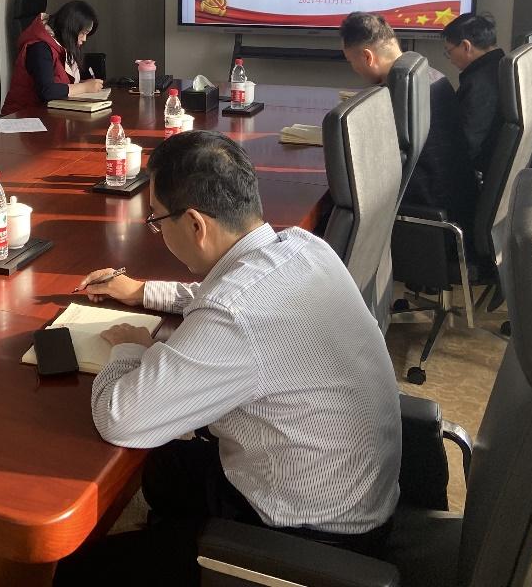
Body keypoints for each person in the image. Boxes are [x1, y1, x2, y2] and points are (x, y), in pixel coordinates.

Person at [53, 130, 400, 587]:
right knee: (163, 473)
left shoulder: (234, 316)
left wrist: (128, 347)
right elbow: (231, 296)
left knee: (74, 574)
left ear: (195, 225)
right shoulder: (302, 247)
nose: (157, 231)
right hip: (353, 490)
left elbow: (120, 418)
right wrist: (142, 292)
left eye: (157, 220)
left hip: (309, 541)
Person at [340, 11, 478, 231]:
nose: (353, 69)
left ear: (367, 57)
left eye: (351, 62)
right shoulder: (426, 74)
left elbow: (375, 164)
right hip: (457, 202)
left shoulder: (398, 94)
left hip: (427, 214)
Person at [1, 0, 105, 114]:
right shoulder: (39, 47)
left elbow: (60, 82)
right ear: (71, 28)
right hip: (21, 117)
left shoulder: (60, 45)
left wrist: (84, 84)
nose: (84, 39)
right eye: (83, 33)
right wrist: (84, 87)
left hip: (46, 114)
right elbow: (47, 91)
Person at [442, 12, 506, 178]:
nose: (450, 59)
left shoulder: (479, 83)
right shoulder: (502, 66)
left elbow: (466, 144)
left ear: (466, 46)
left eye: (449, 52)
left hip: (475, 173)